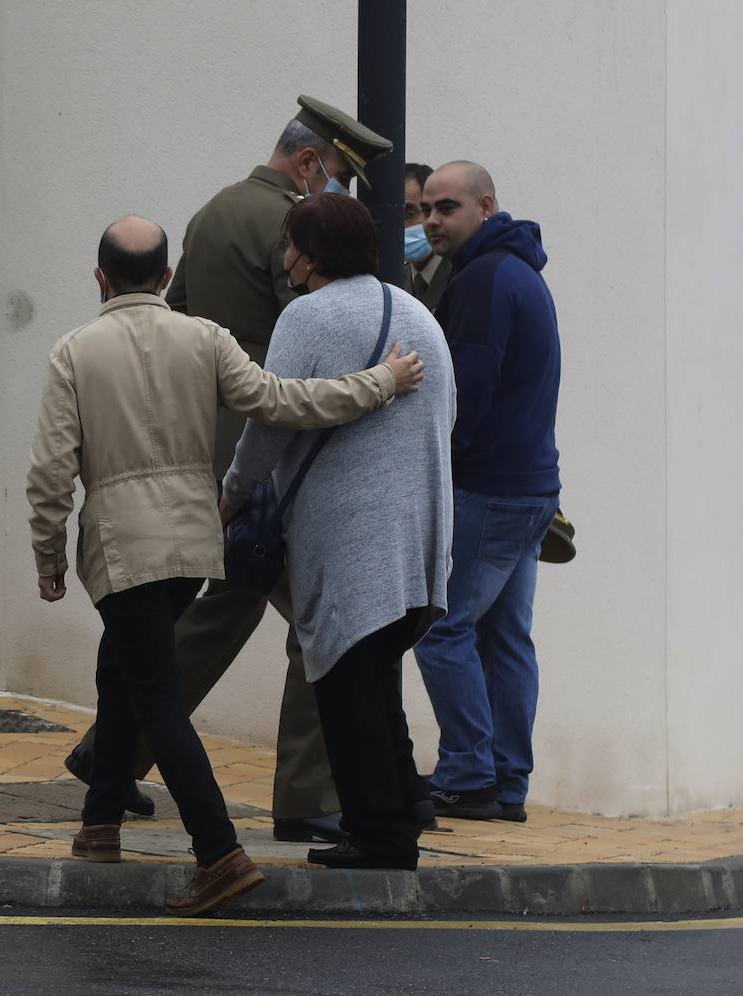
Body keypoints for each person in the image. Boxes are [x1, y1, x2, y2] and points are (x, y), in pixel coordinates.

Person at [26, 215, 425, 915]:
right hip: (191, 543)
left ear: (99, 278)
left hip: (122, 549)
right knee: (122, 673)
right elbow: (284, 404)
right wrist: (379, 382)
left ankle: (218, 853)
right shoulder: (205, 338)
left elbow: (52, 470)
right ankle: (99, 824)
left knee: (152, 692)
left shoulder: (73, 352)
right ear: (168, 278)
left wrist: (48, 554)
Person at [64, 96, 394, 845]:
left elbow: (170, 315)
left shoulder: (213, 212)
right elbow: (310, 330)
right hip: (267, 455)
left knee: (223, 609)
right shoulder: (291, 224)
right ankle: (307, 793)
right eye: (339, 176)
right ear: (309, 163)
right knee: (318, 617)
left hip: (216, 452)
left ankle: (108, 755)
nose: (337, 195)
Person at [221, 193, 455, 871]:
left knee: (348, 689)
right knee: (377, 676)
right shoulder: (418, 315)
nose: (285, 255)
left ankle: (379, 835)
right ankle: (401, 811)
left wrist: (234, 495)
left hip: (351, 533)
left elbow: (269, 418)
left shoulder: (309, 315)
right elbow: (449, 417)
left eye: (292, 242)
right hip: (418, 533)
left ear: (313, 253)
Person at [411, 161, 562, 824]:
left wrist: (436, 468)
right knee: (504, 637)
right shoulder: (521, 272)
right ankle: (506, 782)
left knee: (440, 627)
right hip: (531, 489)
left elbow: (464, 398)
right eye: (427, 211)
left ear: (486, 205)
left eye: (447, 208)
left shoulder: (482, 280)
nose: (433, 222)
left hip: (490, 488)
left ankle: (468, 774)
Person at [403, 162, 450, 311]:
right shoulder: (391, 281)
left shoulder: (461, 276)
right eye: (394, 215)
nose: (401, 225)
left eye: (409, 214)